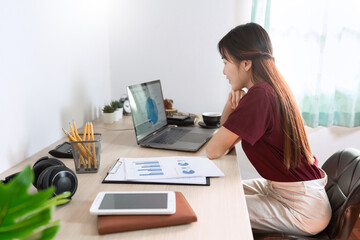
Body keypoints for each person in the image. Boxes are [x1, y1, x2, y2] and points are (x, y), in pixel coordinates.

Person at [206, 22, 331, 236]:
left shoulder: (260, 96)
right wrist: (233, 97)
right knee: (218, 190)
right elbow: (225, 136)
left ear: (245, 63)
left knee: (218, 205)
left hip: (300, 206)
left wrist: (238, 96)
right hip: (288, 191)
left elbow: (214, 150)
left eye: (226, 61)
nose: (223, 70)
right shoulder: (267, 89)